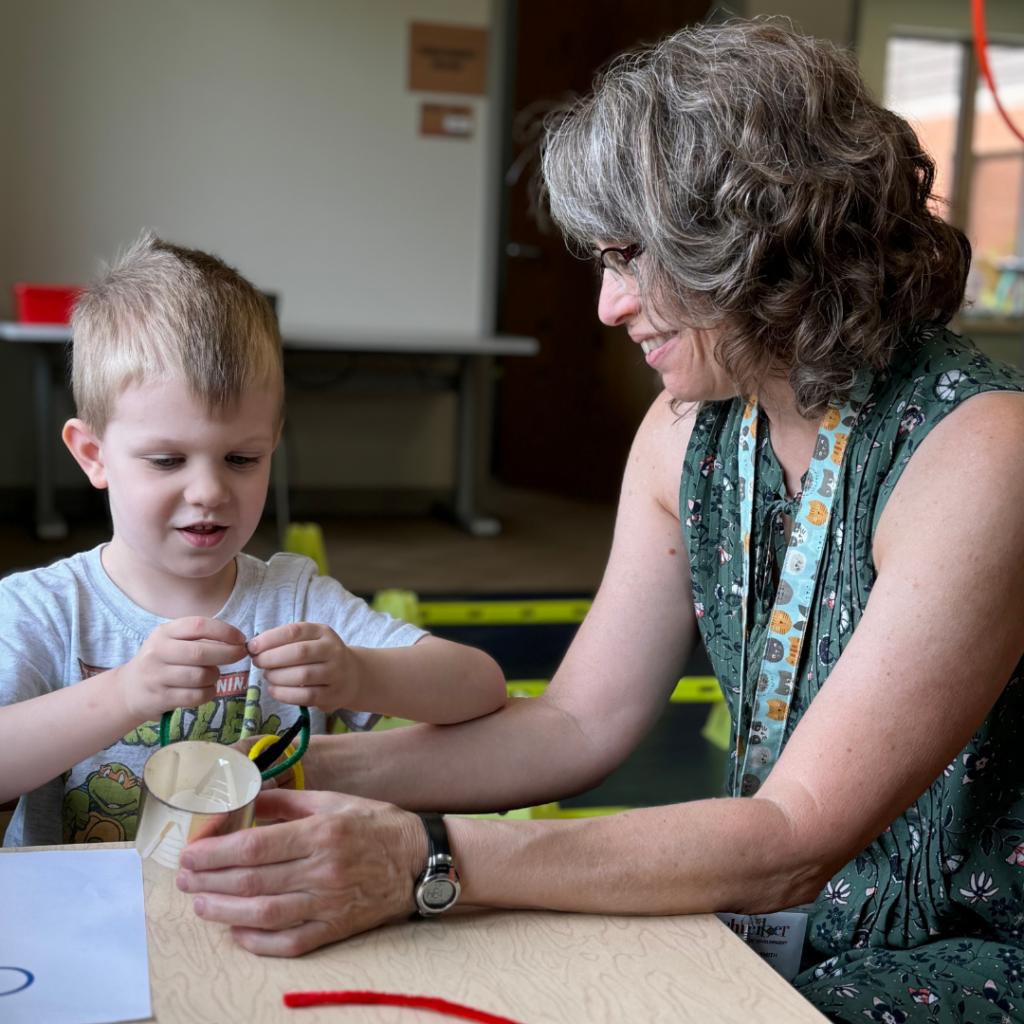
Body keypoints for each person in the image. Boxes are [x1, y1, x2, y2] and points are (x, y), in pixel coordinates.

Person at [174, 22, 1024, 1022]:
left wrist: (427, 852)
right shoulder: (687, 432)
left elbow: (794, 835)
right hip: (777, 907)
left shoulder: (978, 450)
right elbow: (575, 724)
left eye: (632, 257)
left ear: (766, 242)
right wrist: (269, 768)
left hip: (968, 940)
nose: (607, 305)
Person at [0, 233, 506, 849]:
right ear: (92, 455)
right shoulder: (47, 609)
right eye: (167, 461)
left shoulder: (294, 599)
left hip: (265, 911)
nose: (209, 490)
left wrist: (357, 675)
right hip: (86, 926)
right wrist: (124, 693)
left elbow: (480, 687)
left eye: (242, 458)